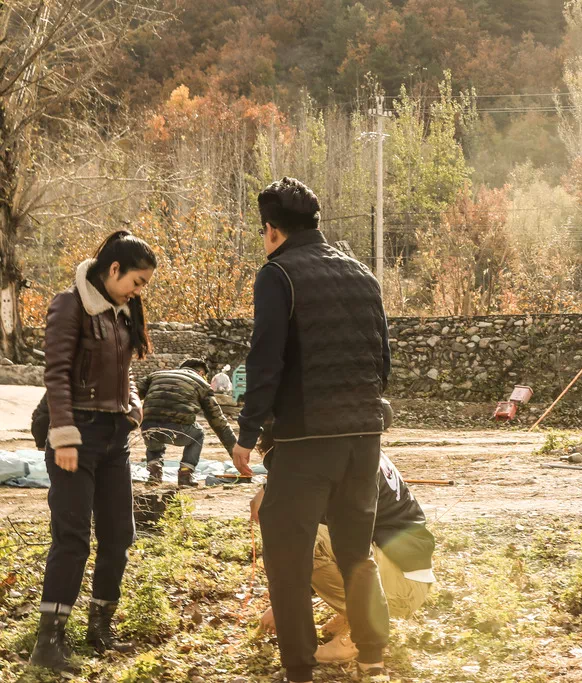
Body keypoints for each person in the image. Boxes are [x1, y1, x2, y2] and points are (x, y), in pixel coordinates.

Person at [231, 177, 393, 683]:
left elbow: (266, 362)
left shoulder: (278, 274)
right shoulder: (362, 273)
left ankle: (299, 668)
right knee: (356, 552)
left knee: (288, 555)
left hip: (304, 440)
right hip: (363, 438)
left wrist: (246, 432)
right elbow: (382, 359)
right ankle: (372, 656)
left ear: (272, 229)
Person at [30, 231, 157, 671]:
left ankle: (99, 628)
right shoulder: (71, 304)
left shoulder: (121, 312)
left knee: (119, 535)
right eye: (137, 282)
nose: (140, 291)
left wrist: (134, 406)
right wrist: (62, 434)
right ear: (114, 270)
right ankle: (49, 643)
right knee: (72, 539)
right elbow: (57, 372)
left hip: (113, 439)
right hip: (75, 435)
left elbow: (122, 371)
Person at [251, 402, 435, 665]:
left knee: (298, 536)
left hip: (402, 584)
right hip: (402, 574)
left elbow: (313, 545)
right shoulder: (354, 450)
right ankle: (353, 614)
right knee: (307, 534)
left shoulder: (331, 461)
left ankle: (359, 630)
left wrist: (285, 607)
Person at [137, 358, 238, 486]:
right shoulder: (201, 383)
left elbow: (132, 392)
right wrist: (236, 454)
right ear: (201, 373)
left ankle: (154, 473)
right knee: (199, 433)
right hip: (178, 429)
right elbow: (218, 422)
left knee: (153, 435)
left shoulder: (156, 375)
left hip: (148, 427)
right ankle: (185, 474)